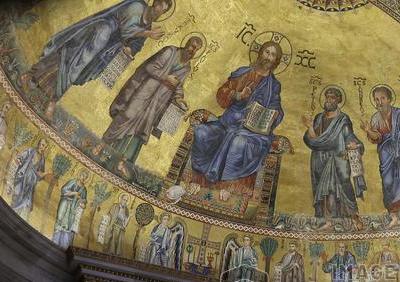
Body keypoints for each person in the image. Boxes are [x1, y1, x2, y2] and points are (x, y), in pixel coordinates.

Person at [25, 0, 171, 117]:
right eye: (160, 7)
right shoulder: (137, 5)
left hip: (107, 48)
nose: (160, 12)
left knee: (80, 68)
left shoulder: (148, 25)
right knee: (75, 61)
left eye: (164, 11)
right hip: (99, 33)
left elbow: (136, 43)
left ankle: (40, 84)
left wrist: (130, 49)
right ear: (155, 3)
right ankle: (49, 94)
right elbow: (127, 29)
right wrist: (146, 34)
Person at [188, 41, 285, 201]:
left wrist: (272, 115)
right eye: (267, 52)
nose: (268, 57)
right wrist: (238, 95)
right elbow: (221, 95)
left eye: (273, 55)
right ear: (260, 53)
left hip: (252, 132)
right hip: (226, 124)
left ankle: (228, 185)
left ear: (276, 61)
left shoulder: (273, 85)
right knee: (202, 132)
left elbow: (277, 110)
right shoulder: (243, 73)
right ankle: (198, 178)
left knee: (238, 142)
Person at [101, 35, 203, 164]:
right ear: (187, 43)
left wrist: (179, 98)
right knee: (127, 114)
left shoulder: (187, 68)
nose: (193, 51)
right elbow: (150, 67)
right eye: (192, 47)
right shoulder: (170, 52)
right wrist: (166, 77)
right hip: (146, 89)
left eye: (196, 50)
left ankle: (123, 162)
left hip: (159, 100)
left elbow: (178, 85)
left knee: (142, 128)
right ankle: (103, 144)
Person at [360, 84, 400, 226]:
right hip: (386, 153)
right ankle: (394, 215)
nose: (379, 102)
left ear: (389, 99)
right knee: (388, 181)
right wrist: (368, 130)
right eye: (376, 99)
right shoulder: (375, 118)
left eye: (382, 98)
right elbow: (377, 137)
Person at [302, 86, 366, 221]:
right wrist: (309, 128)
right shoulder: (319, 117)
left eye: (332, 97)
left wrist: (354, 145)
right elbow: (313, 139)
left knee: (340, 185)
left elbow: (349, 136)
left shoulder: (343, 119)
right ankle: (327, 220)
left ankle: (353, 216)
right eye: (327, 97)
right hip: (319, 159)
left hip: (337, 158)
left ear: (338, 100)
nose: (328, 100)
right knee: (323, 190)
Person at [10, 139, 47, 221]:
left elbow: (40, 173)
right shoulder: (31, 151)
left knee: (25, 203)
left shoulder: (43, 159)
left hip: (31, 184)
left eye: (44, 146)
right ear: (38, 144)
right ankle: (10, 212)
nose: (43, 147)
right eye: (42, 145)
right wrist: (18, 160)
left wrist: (45, 174)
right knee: (17, 194)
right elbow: (22, 157)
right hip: (23, 177)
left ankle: (17, 218)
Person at [53, 170, 88, 249]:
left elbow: (84, 202)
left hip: (74, 209)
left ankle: (65, 246)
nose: (83, 178)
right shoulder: (73, 182)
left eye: (85, 177)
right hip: (65, 203)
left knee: (69, 225)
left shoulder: (84, 189)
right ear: (79, 175)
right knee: (60, 221)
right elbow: (63, 190)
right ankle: (55, 242)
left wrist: (81, 203)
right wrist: (74, 193)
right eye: (82, 175)